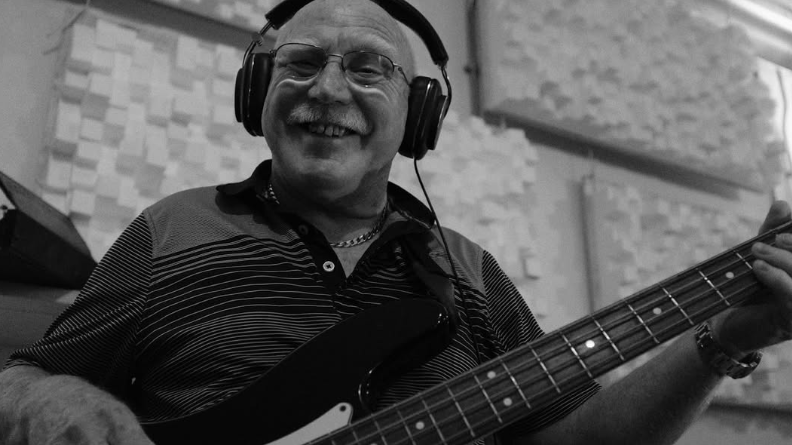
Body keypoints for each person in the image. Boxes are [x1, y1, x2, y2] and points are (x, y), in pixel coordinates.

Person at [1, 0, 791, 443]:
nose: (328, 89)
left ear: (419, 114)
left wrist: (723, 336)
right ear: (257, 94)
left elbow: (578, 441)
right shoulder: (174, 229)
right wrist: (49, 400)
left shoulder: (469, 274)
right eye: (301, 63)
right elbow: (22, 374)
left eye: (368, 67)